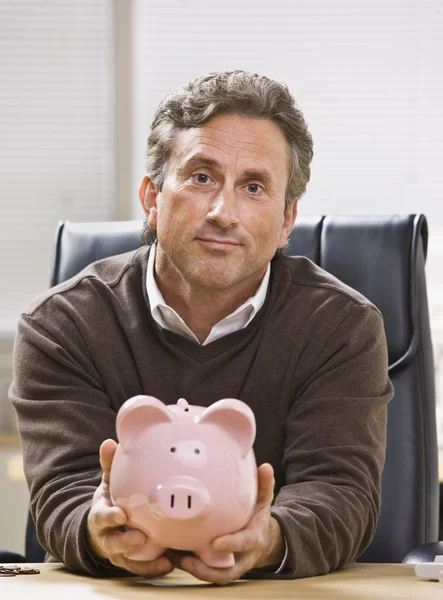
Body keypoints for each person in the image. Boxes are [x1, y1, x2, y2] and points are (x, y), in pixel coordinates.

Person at [9, 70, 393, 584]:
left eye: (254, 187)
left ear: (285, 222)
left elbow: (340, 492)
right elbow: (65, 493)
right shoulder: (60, 324)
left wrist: (266, 538)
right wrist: (99, 529)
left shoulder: (342, 326)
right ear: (151, 197)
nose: (222, 212)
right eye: (201, 177)